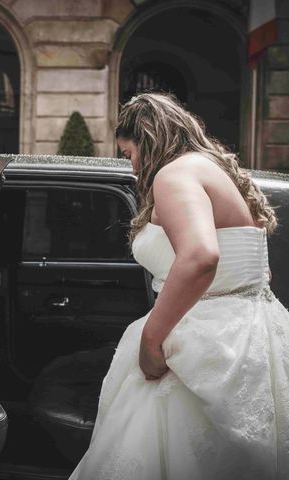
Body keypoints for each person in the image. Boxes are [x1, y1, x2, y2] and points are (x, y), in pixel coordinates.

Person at [70, 93, 289, 479]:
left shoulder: (175, 175)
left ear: (148, 139)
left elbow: (201, 256)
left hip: (205, 345)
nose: (131, 164)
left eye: (128, 152)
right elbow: (258, 272)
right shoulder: (213, 172)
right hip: (250, 338)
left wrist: (152, 340)